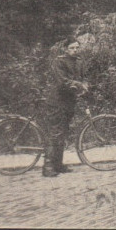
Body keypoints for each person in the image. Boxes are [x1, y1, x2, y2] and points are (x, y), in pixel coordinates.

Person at [43, 39, 89, 177]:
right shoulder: (59, 61)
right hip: (57, 101)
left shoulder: (79, 61)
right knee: (56, 132)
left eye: (77, 47)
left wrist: (85, 84)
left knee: (63, 132)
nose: (75, 50)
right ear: (65, 49)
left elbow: (83, 78)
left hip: (69, 101)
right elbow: (63, 81)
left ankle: (59, 164)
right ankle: (48, 166)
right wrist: (78, 85)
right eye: (71, 47)